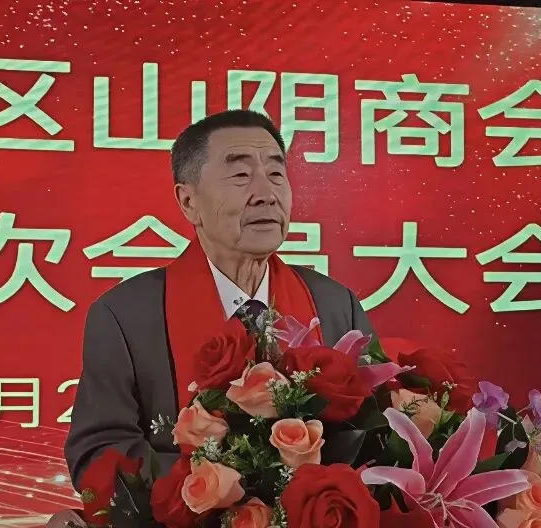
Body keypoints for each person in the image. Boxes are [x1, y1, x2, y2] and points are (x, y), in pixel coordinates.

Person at [64, 109, 374, 489]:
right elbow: (99, 456)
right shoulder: (125, 317)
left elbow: (376, 435)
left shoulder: (336, 306)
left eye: (276, 174)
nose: (266, 195)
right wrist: (227, 489)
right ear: (188, 201)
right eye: (240, 175)